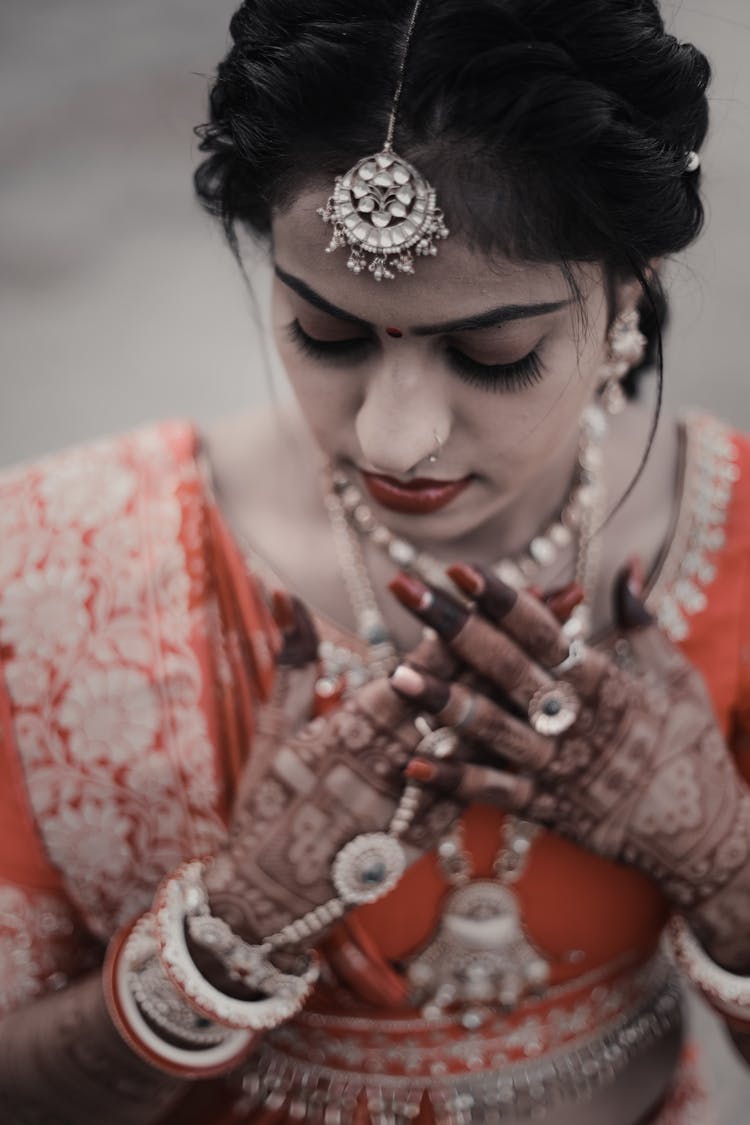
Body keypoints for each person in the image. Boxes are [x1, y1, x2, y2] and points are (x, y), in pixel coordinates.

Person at [1, 0, 750, 1122]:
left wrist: (719, 859)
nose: (394, 439)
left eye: (494, 354)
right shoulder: (55, 568)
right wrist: (229, 928)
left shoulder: (736, 544)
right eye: (328, 336)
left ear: (630, 293)